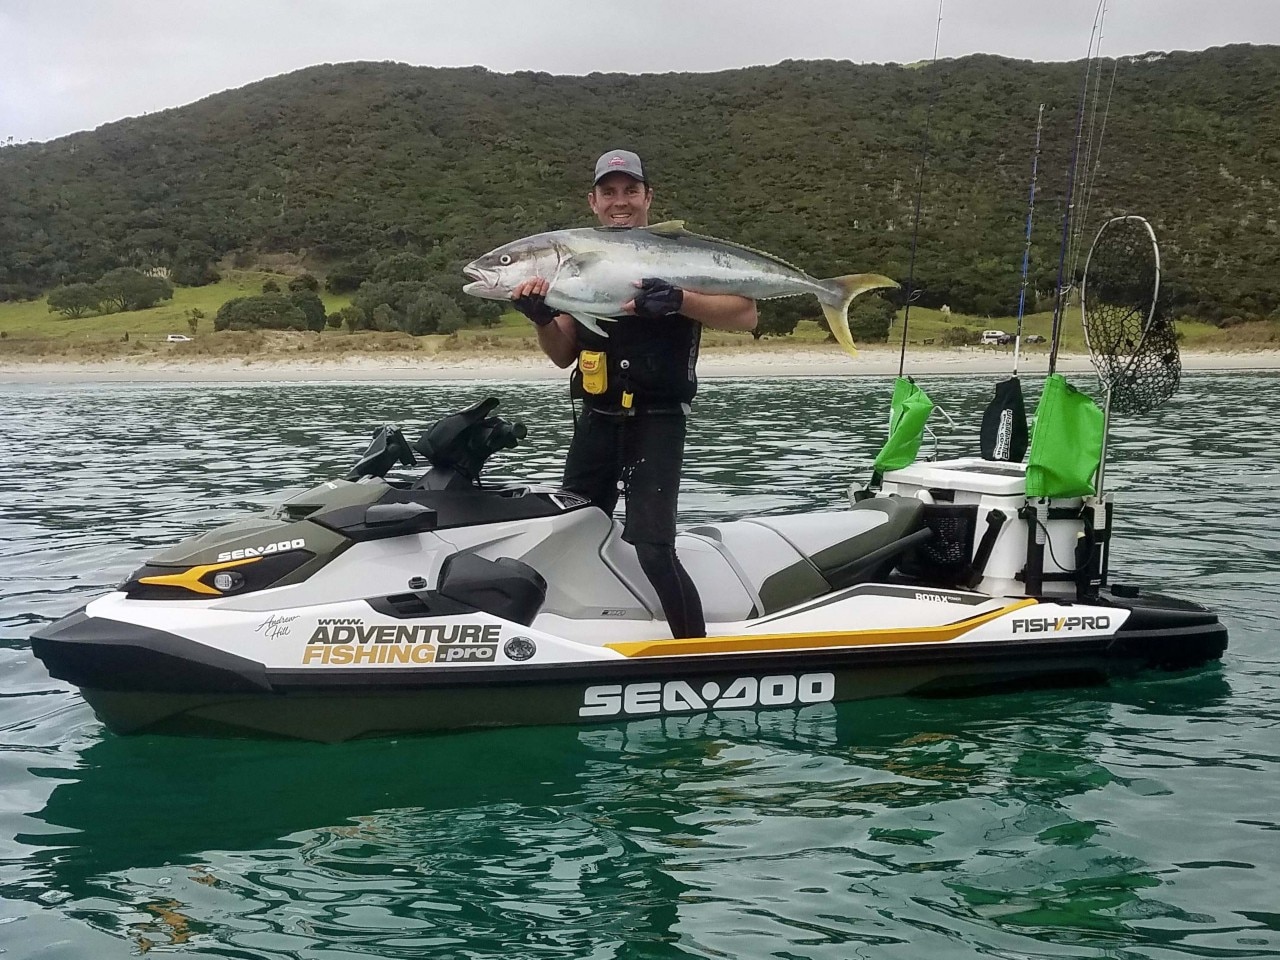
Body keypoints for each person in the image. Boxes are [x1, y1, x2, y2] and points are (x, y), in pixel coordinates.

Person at [509, 149, 758, 639]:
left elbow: (746, 315)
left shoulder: (676, 256)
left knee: (653, 548)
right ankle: (577, 639)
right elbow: (561, 354)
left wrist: (681, 299)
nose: (619, 201)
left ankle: (696, 655)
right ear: (593, 201)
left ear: (648, 197)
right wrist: (540, 318)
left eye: (630, 190)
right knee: (573, 529)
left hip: (657, 419)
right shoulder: (575, 268)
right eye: (609, 192)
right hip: (597, 420)